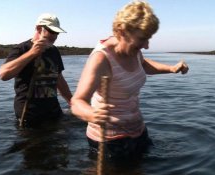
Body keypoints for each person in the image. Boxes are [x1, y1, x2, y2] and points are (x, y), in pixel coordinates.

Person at [71, 1, 189, 160]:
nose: (146, 45)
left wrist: (171, 69)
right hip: (109, 140)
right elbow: (77, 102)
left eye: (148, 38)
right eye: (142, 39)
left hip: (137, 130)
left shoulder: (132, 50)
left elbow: (144, 63)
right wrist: (93, 115)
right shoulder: (101, 59)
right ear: (122, 32)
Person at [0, 13, 72, 127]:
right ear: (39, 28)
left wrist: (72, 103)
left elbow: (59, 80)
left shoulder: (54, 51)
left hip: (54, 112)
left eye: (57, 33)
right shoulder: (21, 49)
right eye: (51, 31)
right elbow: (3, 74)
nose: (55, 36)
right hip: (29, 116)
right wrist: (32, 53)